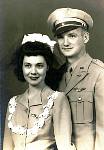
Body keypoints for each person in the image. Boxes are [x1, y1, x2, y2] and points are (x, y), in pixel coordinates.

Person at [3, 33, 76, 150]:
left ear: (47, 67)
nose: (33, 71)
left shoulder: (57, 100)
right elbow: (7, 147)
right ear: (21, 67)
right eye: (27, 65)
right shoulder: (13, 103)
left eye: (39, 65)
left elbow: (64, 147)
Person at [47, 8, 104, 150]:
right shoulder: (56, 75)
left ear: (85, 38)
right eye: (60, 37)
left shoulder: (98, 73)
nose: (65, 42)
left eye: (72, 36)